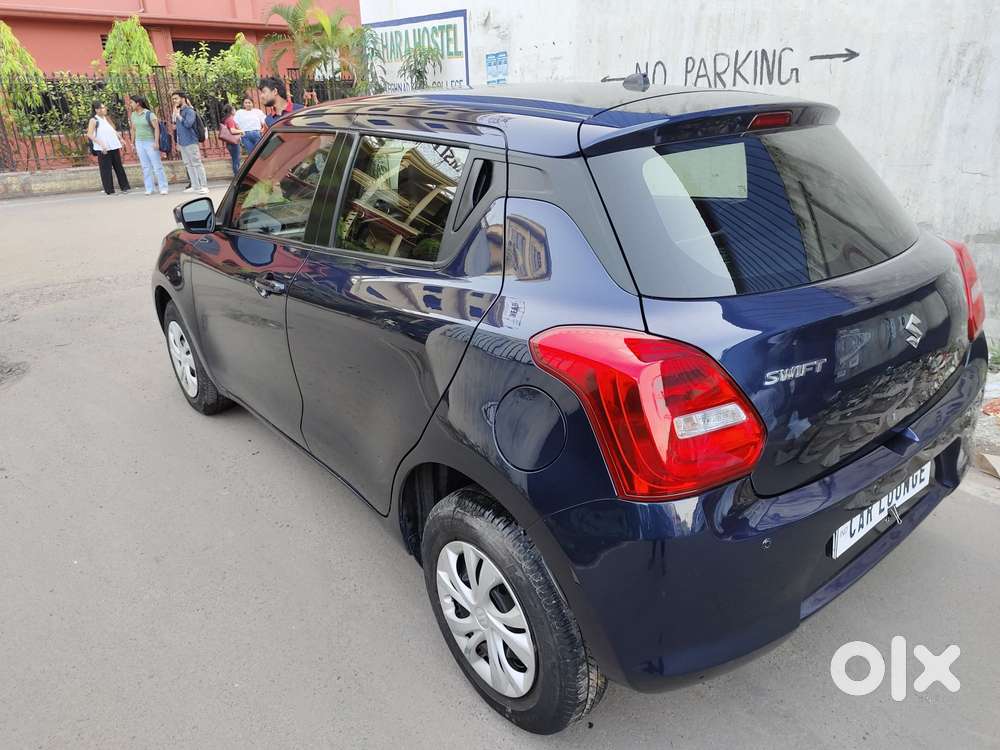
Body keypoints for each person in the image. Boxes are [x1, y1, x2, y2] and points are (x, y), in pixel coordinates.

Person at [87, 101, 131, 196]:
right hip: (103, 148)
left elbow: (113, 130)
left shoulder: (107, 118)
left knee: (118, 167)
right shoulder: (94, 120)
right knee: (106, 169)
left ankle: (125, 186)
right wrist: (101, 144)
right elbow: (89, 134)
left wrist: (121, 139)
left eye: (104, 107)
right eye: (102, 108)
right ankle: (109, 189)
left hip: (113, 145)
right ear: (97, 110)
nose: (105, 109)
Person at [128, 95, 169, 195]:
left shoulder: (149, 114)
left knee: (157, 166)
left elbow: (156, 128)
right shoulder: (133, 115)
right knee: (145, 166)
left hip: (150, 142)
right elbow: (133, 129)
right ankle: (149, 188)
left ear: (138, 103)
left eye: (132, 102)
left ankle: (163, 187)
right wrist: (132, 143)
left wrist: (156, 142)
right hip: (139, 142)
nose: (130, 104)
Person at [170, 90, 208, 195]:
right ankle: (195, 186)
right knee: (188, 164)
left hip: (191, 141)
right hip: (182, 142)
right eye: (173, 99)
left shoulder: (189, 111)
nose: (174, 101)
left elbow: (188, 124)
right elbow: (176, 128)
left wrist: (178, 116)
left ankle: (204, 186)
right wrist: (177, 142)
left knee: (197, 163)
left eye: (176, 98)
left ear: (182, 98)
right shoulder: (178, 111)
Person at [218, 104, 243, 176]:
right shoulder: (230, 119)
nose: (235, 110)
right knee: (236, 160)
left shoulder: (226, 119)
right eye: (234, 109)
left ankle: (236, 175)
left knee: (235, 159)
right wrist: (241, 131)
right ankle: (237, 176)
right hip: (233, 143)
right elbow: (232, 131)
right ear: (231, 111)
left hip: (229, 143)